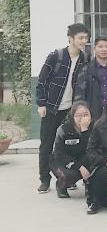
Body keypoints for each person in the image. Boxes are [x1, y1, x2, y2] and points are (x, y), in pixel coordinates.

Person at [36, 23, 90, 194]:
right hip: (52, 108)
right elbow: (42, 81)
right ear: (70, 38)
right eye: (80, 38)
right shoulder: (56, 56)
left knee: (71, 145)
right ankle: (45, 179)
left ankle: (69, 177)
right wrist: (41, 103)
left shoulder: (85, 58)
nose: (84, 41)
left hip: (71, 111)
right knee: (47, 144)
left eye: (86, 38)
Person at [74, 36, 107, 120]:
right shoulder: (86, 69)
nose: (104, 49)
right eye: (100, 47)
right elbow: (79, 94)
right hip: (91, 113)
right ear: (94, 48)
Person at [50, 101, 92, 199]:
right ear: (72, 116)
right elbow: (59, 153)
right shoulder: (64, 129)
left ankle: (89, 185)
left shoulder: (95, 128)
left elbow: (91, 149)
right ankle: (61, 186)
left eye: (86, 115)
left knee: (95, 164)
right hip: (62, 161)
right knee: (69, 175)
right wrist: (79, 167)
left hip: (83, 158)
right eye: (78, 115)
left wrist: (84, 131)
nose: (82, 118)